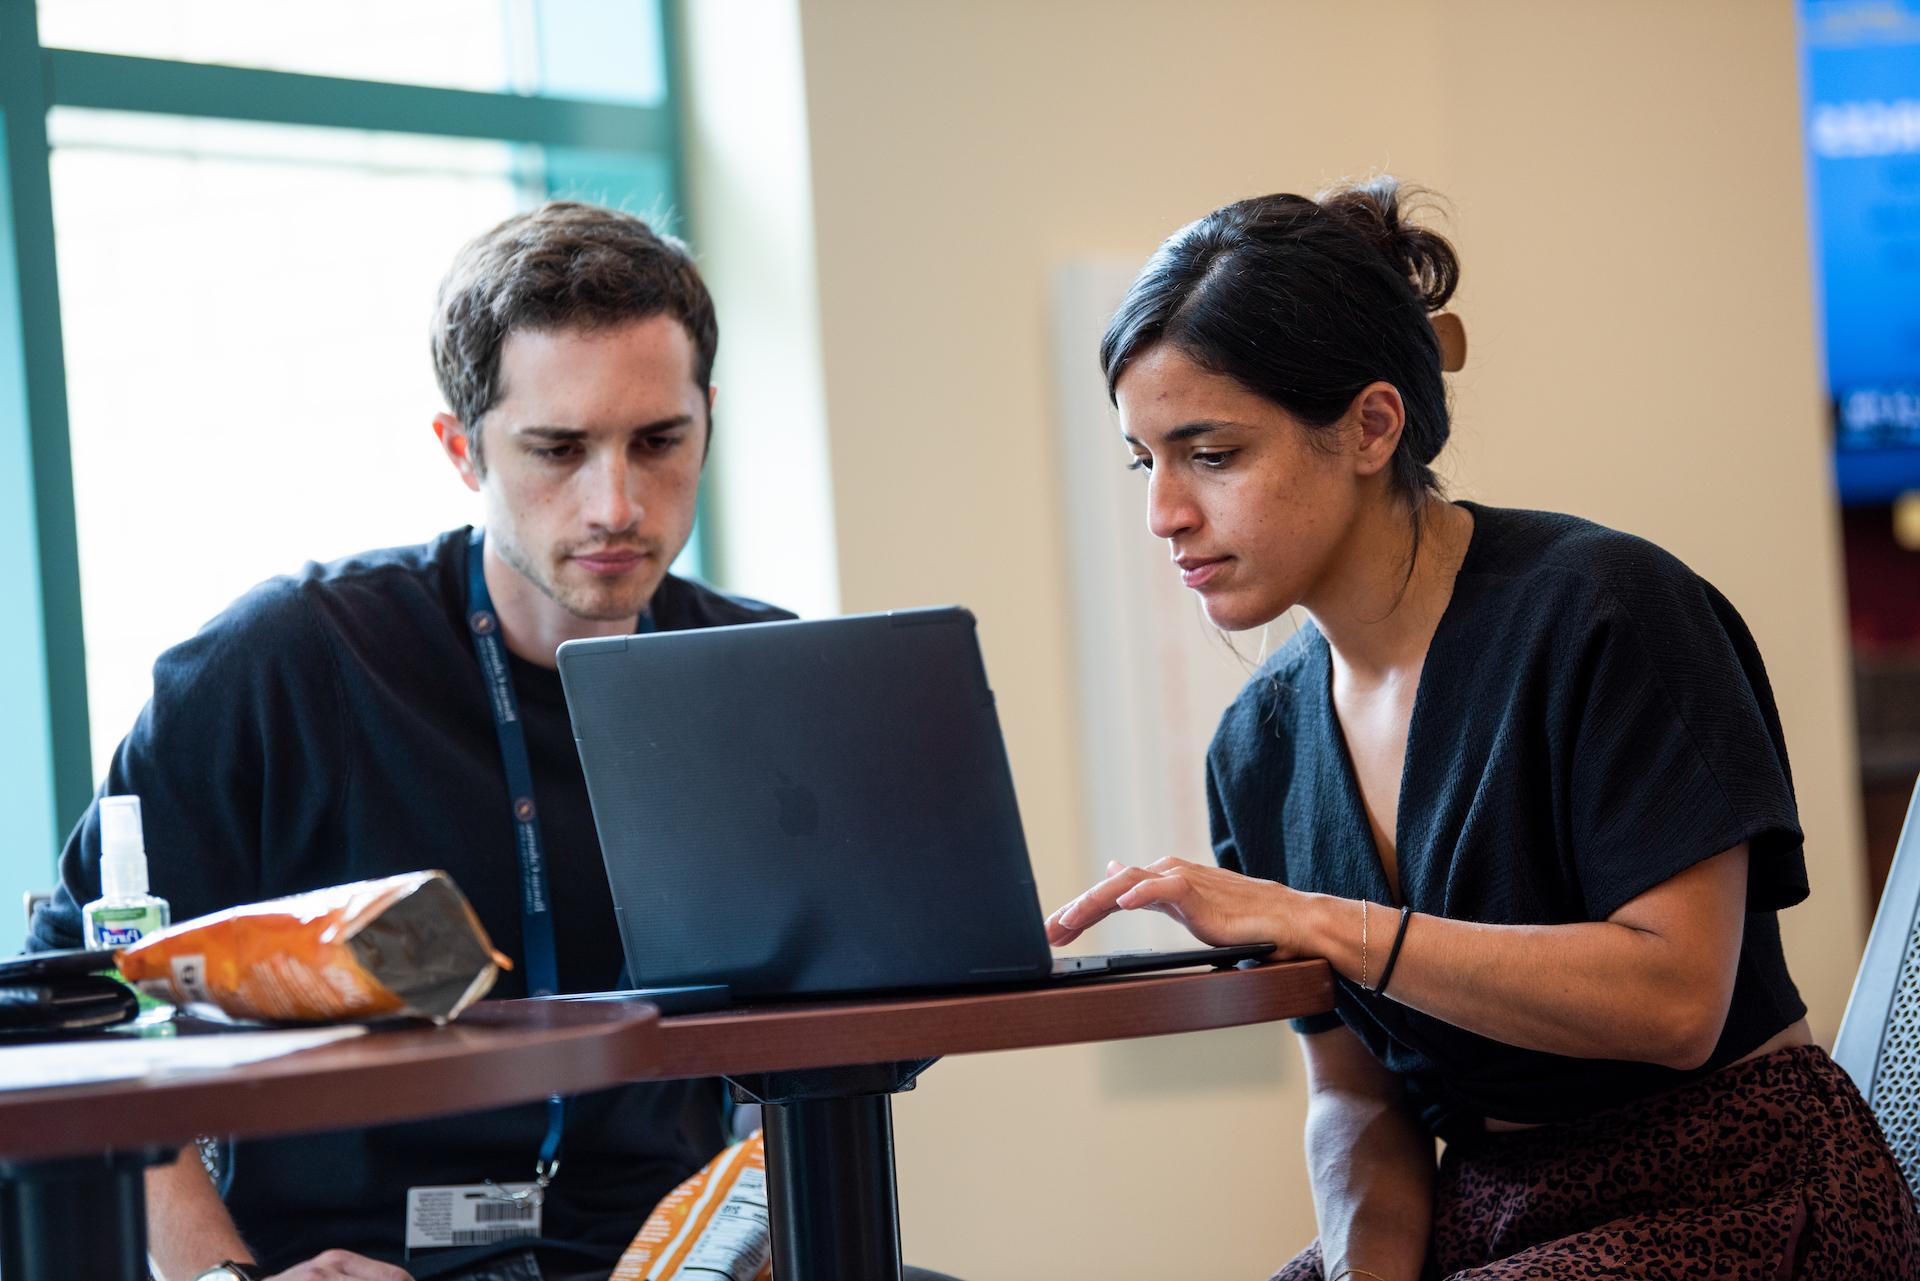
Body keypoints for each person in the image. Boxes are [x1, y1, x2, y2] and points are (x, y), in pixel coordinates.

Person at [1044, 178, 1920, 1279]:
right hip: (1488, 1206)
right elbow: (1360, 1107)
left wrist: (1322, 921)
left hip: (1737, 1187)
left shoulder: (1610, 609)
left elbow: (1677, 1001)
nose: (1163, 511)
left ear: (1370, 426)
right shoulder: (1255, 753)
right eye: (1145, 460)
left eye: (1210, 454)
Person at [30, 202, 789, 1281]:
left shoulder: (763, 675)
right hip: (355, 1259)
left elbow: (836, 1022)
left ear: (707, 420)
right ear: (458, 446)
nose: (615, 502)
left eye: (658, 442)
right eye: (558, 449)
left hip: (660, 1257)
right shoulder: (288, 662)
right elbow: (80, 1003)